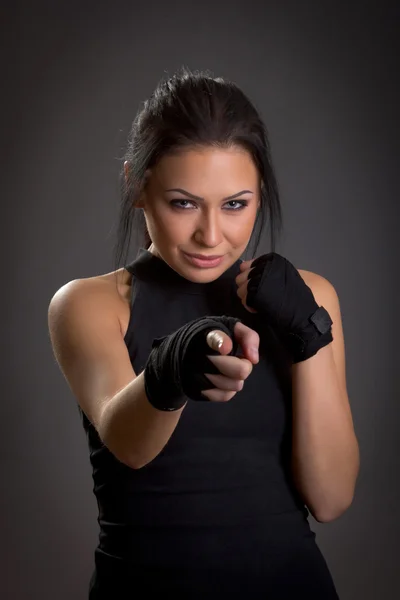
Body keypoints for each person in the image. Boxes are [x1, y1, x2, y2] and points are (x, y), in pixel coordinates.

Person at [48, 67, 359, 598]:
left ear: (260, 193)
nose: (211, 235)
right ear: (137, 187)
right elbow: (128, 443)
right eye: (183, 202)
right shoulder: (92, 304)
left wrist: (308, 332)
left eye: (236, 204)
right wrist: (173, 370)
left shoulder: (312, 296)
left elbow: (330, 499)